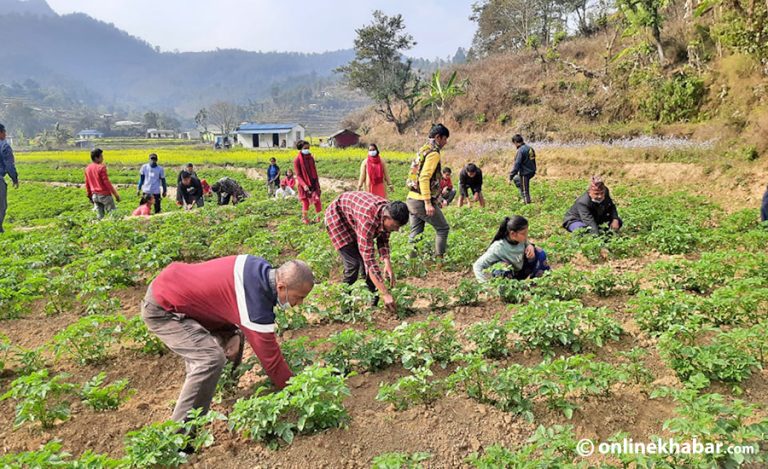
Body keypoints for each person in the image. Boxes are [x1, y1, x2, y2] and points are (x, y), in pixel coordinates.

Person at [141, 256, 315, 422]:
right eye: (298, 297)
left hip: (185, 295)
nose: (299, 303)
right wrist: (298, 392)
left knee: (234, 337)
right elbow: (272, 362)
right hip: (164, 306)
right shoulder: (255, 307)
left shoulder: (257, 266)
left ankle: (226, 389)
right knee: (209, 359)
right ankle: (180, 439)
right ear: (281, 287)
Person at [325, 192, 409, 313]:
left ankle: (373, 304)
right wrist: (385, 293)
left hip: (353, 216)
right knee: (354, 264)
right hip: (337, 218)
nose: (396, 229)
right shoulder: (368, 220)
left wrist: (387, 262)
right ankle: (344, 304)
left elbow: (383, 239)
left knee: (366, 268)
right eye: (395, 226)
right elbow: (369, 260)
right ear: (386, 218)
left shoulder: (389, 211)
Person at [406, 123, 451, 257]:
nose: (445, 142)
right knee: (443, 228)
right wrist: (427, 202)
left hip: (411, 198)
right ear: (438, 137)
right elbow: (424, 177)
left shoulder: (423, 149)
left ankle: (411, 261)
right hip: (420, 200)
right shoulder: (433, 153)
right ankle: (439, 260)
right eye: (445, 139)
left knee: (416, 232)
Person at [473, 216, 550, 283]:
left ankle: (538, 284)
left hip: (522, 270)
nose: (526, 236)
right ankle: (508, 293)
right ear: (513, 234)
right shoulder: (498, 247)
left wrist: (530, 246)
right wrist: (484, 285)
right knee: (501, 268)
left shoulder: (520, 239)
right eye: (524, 233)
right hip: (508, 276)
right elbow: (477, 265)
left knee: (540, 253)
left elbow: (526, 241)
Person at [84, 148, 121, 220]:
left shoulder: (87, 168)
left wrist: (89, 195)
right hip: (105, 195)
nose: (103, 158)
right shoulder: (101, 167)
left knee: (100, 217)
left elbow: (87, 183)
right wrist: (116, 195)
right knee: (113, 215)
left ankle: (99, 228)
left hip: (95, 196)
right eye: (101, 156)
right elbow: (107, 182)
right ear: (96, 158)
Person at [293, 140, 322, 224]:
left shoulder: (311, 158)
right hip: (304, 184)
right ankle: (305, 219)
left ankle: (319, 218)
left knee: (317, 201)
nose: (307, 149)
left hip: (313, 183)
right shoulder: (297, 160)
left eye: (308, 148)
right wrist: (304, 185)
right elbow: (298, 175)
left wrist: (316, 183)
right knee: (305, 202)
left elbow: (314, 171)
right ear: (300, 149)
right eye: (305, 148)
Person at [0, 123, 18, 233]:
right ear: (1, 133)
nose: (5, 134)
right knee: (1, 206)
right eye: (4, 132)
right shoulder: (4, 146)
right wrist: (14, 178)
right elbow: (9, 165)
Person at [508, 134, 537, 204]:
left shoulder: (521, 151)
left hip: (525, 173)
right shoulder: (530, 148)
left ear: (515, 142)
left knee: (525, 191)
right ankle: (525, 199)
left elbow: (517, 164)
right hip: (532, 171)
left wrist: (510, 176)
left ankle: (528, 205)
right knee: (517, 179)